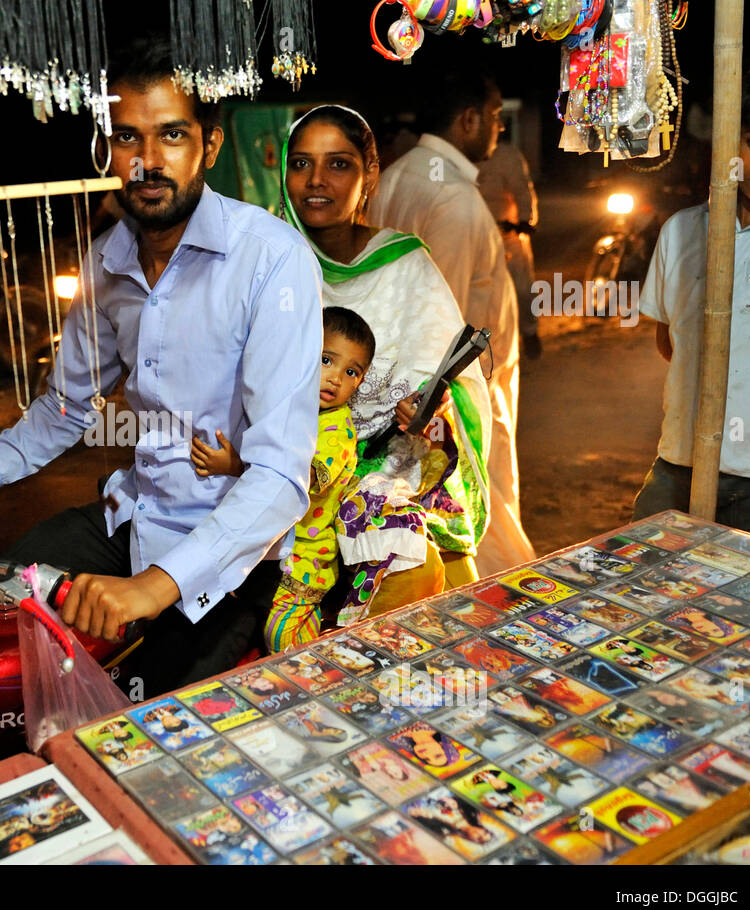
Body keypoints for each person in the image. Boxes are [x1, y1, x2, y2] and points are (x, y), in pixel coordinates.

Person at [0, 35, 323, 695]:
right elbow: (63, 409)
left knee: (139, 723)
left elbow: (278, 476)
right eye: (127, 138)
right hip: (130, 519)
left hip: (227, 560)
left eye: (172, 136)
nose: (147, 162)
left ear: (209, 147)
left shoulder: (272, 260)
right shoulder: (106, 262)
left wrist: (151, 588)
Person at [277, 104, 493, 621]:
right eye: (301, 163)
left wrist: (431, 408)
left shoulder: (405, 264)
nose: (316, 181)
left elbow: (459, 388)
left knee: (427, 586)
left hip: (384, 479)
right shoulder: (268, 257)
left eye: (339, 164)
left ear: (369, 175)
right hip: (281, 476)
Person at [370, 73, 536, 577]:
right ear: (467, 120)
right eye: (491, 119)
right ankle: (502, 601)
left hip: (396, 383)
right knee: (483, 506)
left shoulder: (398, 176)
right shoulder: (454, 201)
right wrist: (441, 406)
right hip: (454, 391)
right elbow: (446, 321)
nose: (496, 131)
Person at [633, 58, 750, 543]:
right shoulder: (681, 231)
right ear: (726, 139)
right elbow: (670, 342)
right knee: (645, 591)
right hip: (678, 466)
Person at [190, 305, 370, 652]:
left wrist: (235, 465)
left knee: (280, 635)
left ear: (361, 381)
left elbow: (294, 480)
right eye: (326, 360)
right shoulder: (293, 406)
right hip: (269, 548)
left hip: (305, 560)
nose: (336, 378)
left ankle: (316, 662)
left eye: (351, 371)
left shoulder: (336, 431)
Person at [476, 135, 542, 359]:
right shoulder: (458, 156)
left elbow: (523, 189)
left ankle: (530, 333)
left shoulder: (506, 155)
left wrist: (525, 221)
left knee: (523, 289)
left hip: (509, 235)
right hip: (476, 236)